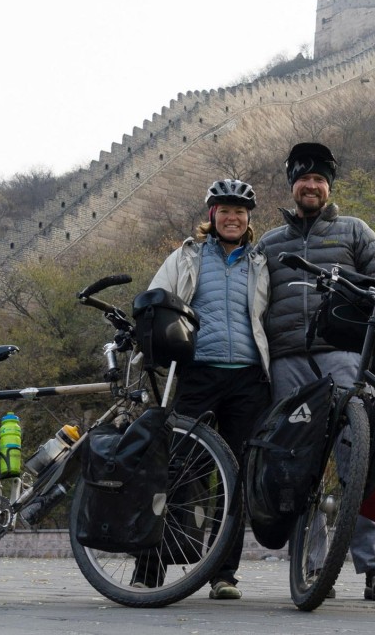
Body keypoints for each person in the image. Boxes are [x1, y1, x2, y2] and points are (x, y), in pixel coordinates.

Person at [256, 142, 375, 602]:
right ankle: (313, 566)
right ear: (292, 186)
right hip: (286, 362)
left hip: (343, 355)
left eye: (320, 179)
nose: (312, 186)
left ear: (329, 186)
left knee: (356, 458)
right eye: (304, 179)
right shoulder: (268, 243)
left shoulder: (355, 231)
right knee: (297, 467)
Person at [138, 178, 271, 600]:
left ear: (248, 219)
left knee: (238, 478)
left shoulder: (262, 262)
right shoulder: (187, 256)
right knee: (175, 469)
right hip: (197, 372)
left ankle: (223, 575)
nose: (232, 218)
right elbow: (156, 298)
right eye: (224, 211)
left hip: (249, 378)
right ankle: (150, 569)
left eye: (240, 212)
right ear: (212, 217)